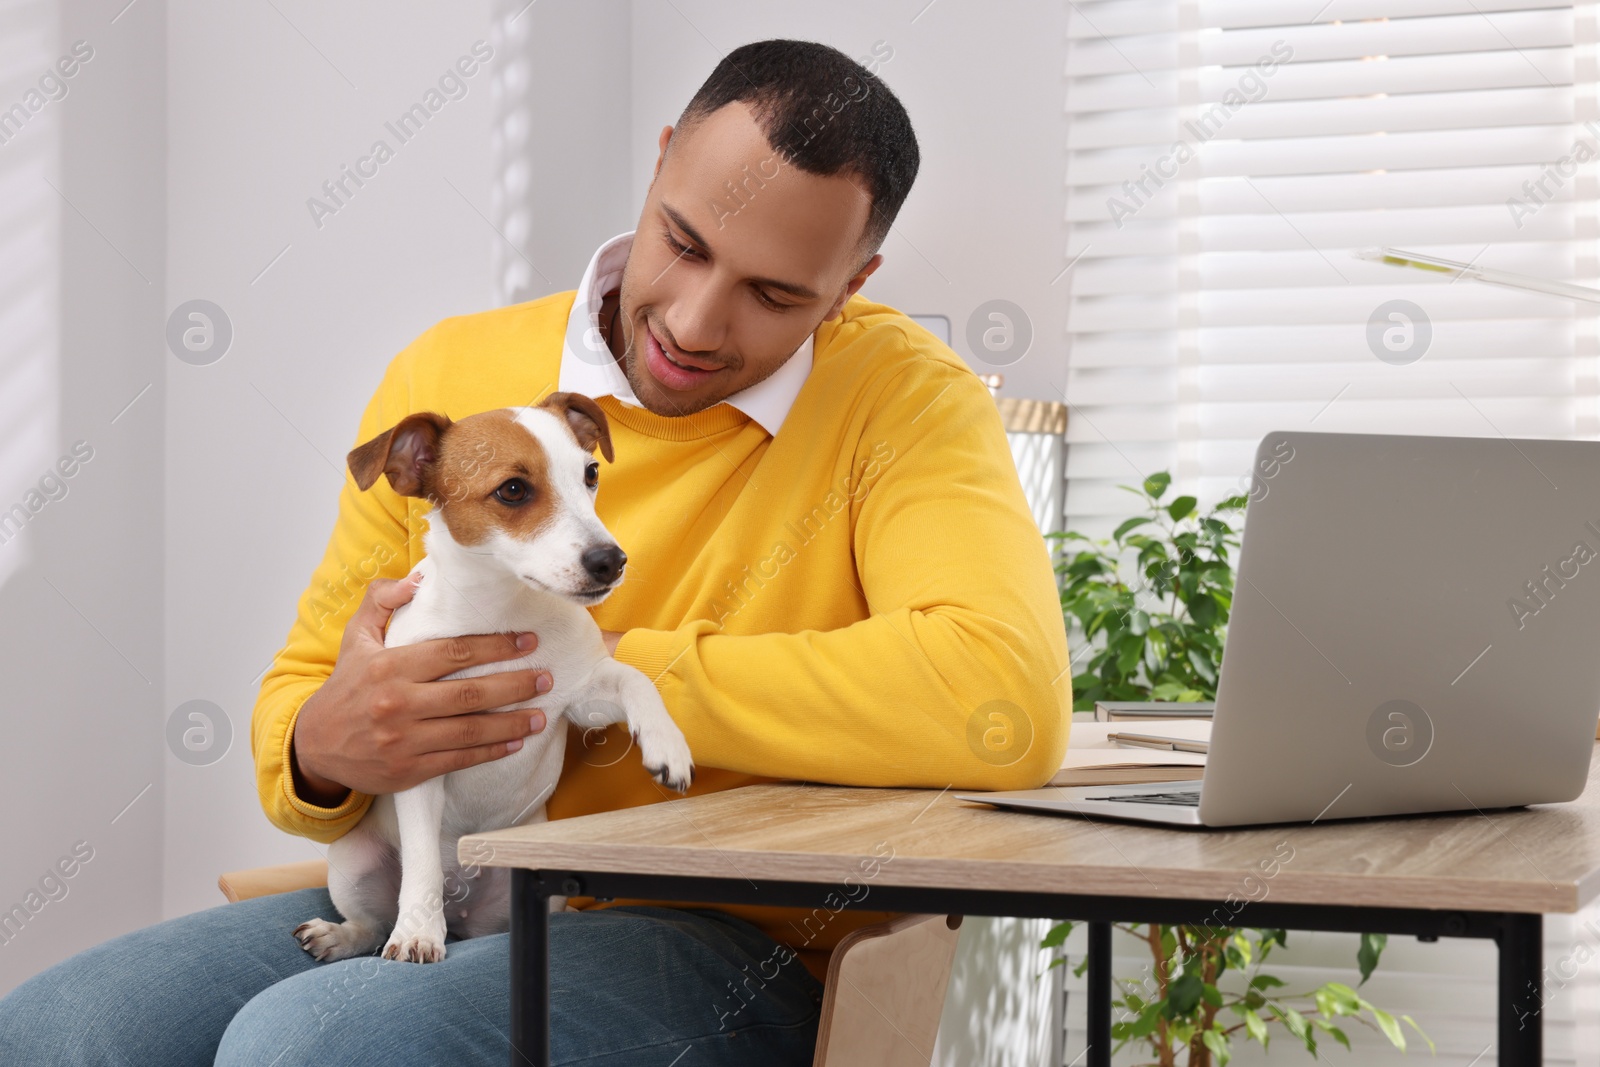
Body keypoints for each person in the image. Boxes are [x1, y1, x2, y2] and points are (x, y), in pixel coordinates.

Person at [0, 37, 1068, 1066]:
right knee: (60, 1032)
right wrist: (329, 743)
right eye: (683, 241)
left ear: (853, 279)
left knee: (318, 1044)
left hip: (724, 927)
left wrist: (603, 666)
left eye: (775, 293)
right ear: (656, 165)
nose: (695, 323)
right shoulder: (459, 376)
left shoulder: (904, 403)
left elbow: (1001, 693)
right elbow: (301, 706)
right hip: (457, 873)